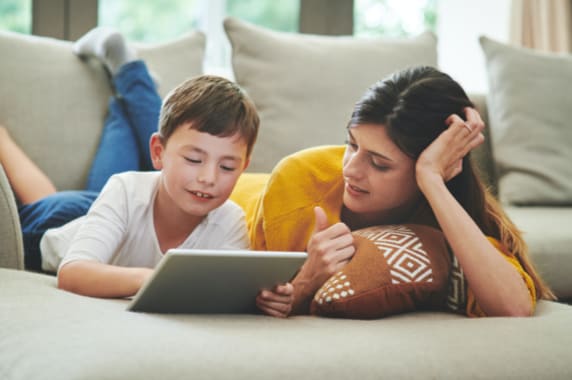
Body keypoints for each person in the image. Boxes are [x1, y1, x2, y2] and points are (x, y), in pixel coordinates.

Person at [236, 65, 555, 318]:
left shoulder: (444, 210)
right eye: (352, 144)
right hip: (238, 191)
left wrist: (431, 179)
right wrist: (307, 280)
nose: (351, 169)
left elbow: (513, 307)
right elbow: (254, 306)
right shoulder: (299, 182)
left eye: (379, 163)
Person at [0, 27, 260, 299]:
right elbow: (74, 273)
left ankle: (127, 98)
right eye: (194, 159)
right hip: (63, 220)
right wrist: (153, 278)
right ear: (157, 153)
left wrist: (268, 296)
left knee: (134, 179)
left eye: (227, 167)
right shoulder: (125, 191)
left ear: (243, 167)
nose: (209, 177)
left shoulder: (229, 219)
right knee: (81, 196)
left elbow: (233, 291)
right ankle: (132, 83)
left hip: (125, 210)